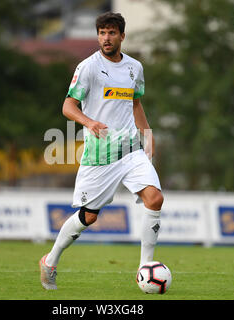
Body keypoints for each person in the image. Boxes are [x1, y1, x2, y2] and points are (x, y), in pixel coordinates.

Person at [39, 12, 163, 290]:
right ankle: (50, 259)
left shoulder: (135, 68)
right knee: (89, 216)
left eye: (111, 33)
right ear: (98, 36)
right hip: (100, 155)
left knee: (154, 199)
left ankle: (145, 267)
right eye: (102, 33)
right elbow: (68, 106)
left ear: (122, 35)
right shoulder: (88, 67)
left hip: (131, 151)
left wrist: (148, 134)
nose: (106, 38)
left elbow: (135, 103)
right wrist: (89, 121)